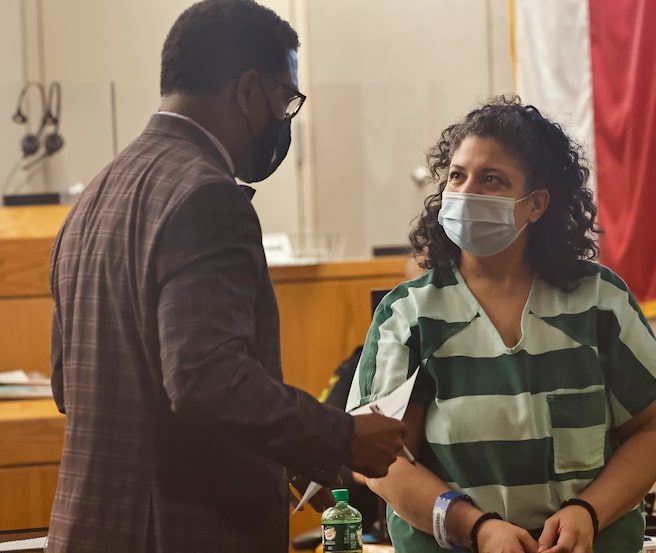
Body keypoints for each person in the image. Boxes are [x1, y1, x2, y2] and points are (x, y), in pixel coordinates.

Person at [47, 2, 406, 552]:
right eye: (285, 99)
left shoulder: (97, 192)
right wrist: (344, 437)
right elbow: (205, 381)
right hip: (182, 533)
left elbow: (69, 385)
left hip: (91, 527)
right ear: (246, 92)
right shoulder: (207, 196)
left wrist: (274, 454)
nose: (286, 118)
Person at [346, 95, 656, 553]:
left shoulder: (599, 302)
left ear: (536, 204)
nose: (465, 193)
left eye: (491, 180)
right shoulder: (409, 314)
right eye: (457, 176)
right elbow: (382, 463)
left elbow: (653, 431)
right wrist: (478, 529)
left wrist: (589, 511)